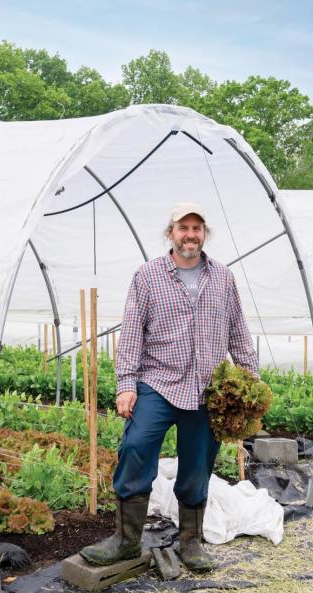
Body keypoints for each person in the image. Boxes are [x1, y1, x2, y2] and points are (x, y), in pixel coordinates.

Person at [80, 202, 258, 573]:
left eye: (197, 228)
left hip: (207, 390)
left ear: (204, 234)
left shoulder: (223, 278)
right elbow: (131, 333)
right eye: (183, 228)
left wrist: (249, 380)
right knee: (135, 446)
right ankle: (127, 541)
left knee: (197, 466)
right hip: (158, 383)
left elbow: (238, 330)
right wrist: (126, 384)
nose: (190, 235)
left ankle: (190, 542)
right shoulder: (147, 276)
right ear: (171, 233)